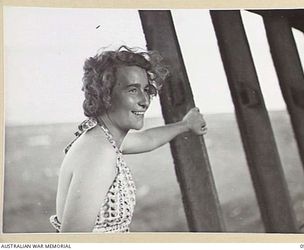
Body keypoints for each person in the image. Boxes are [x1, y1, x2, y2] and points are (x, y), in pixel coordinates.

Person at [50, 46, 207, 233]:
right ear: (105, 95)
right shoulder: (99, 154)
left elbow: (146, 139)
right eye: (132, 90)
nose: (145, 100)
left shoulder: (103, 138)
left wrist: (185, 125)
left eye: (147, 90)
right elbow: (73, 243)